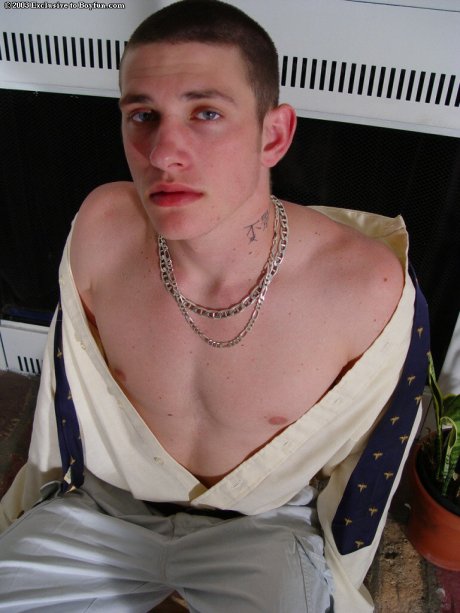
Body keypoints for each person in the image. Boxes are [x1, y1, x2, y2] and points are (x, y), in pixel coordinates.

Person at [0, 1, 428, 611]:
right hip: (102, 507)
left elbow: (368, 472)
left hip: (262, 529)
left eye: (206, 113)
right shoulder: (102, 229)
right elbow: (67, 390)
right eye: (142, 115)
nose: (162, 153)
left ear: (272, 135)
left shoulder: (363, 288)